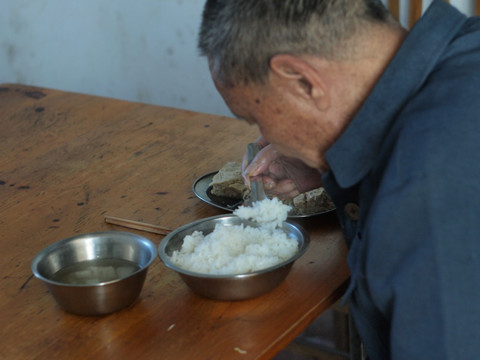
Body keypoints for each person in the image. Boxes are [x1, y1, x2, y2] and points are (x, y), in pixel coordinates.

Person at [198, 0, 480, 359]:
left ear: (302, 80)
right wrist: (332, 163)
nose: (264, 136)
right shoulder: (467, 49)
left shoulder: (428, 188)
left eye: (255, 117)